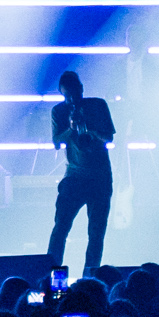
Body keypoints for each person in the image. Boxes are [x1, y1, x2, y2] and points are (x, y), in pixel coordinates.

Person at [47, 69, 118, 276]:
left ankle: (89, 279)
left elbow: (109, 138)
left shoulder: (98, 105)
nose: (70, 99)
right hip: (74, 177)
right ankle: (55, 280)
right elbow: (56, 143)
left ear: (81, 89)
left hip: (100, 177)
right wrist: (71, 127)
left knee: (96, 233)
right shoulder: (58, 111)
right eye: (66, 95)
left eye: (73, 93)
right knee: (60, 229)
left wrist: (90, 130)